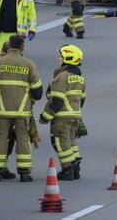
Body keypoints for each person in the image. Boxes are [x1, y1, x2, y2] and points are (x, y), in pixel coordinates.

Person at [0, 35, 43, 182]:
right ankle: (24, 173)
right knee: (23, 138)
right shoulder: (29, 64)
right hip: (22, 111)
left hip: (2, 110)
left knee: (0, 138)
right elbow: (38, 91)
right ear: (22, 47)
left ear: (9, 46)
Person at [39, 44, 86, 181]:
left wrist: (45, 117)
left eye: (61, 56)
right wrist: (77, 114)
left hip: (62, 117)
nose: (58, 58)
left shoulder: (62, 77)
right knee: (70, 141)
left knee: (60, 142)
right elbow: (82, 99)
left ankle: (67, 170)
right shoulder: (80, 78)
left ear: (68, 57)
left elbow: (57, 100)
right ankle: (75, 167)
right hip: (74, 116)